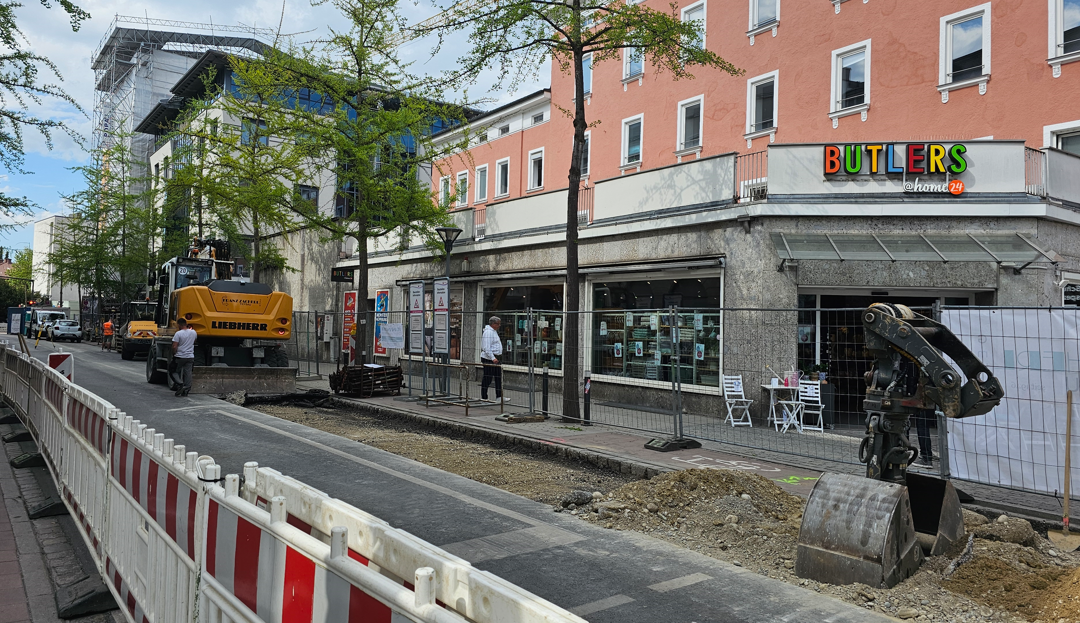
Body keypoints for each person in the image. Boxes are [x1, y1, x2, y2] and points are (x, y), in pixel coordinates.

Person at [171, 318, 197, 397]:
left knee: (173, 371)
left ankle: (180, 384)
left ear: (179, 324)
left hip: (180, 356)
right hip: (190, 357)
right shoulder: (193, 332)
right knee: (188, 373)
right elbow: (194, 341)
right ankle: (186, 389)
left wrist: (174, 353)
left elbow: (174, 346)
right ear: (186, 324)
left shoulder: (178, 334)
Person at [480, 315, 503, 401]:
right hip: (489, 358)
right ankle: (484, 397)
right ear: (493, 324)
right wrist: (492, 358)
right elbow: (486, 347)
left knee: (498, 377)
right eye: (498, 324)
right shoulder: (488, 332)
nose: (499, 325)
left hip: (495, 358)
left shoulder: (494, 331)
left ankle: (499, 396)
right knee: (487, 378)